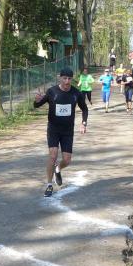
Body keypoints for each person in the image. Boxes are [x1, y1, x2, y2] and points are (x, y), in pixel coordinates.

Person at [33, 67, 88, 197]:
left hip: (67, 131)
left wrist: (84, 123)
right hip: (53, 129)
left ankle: (58, 169)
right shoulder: (52, 91)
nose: (67, 81)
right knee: (52, 156)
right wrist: (36, 101)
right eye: (64, 78)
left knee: (67, 160)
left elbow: (85, 109)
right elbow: (37, 105)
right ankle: (49, 185)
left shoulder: (76, 93)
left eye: (69, 79)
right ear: (60, 78)